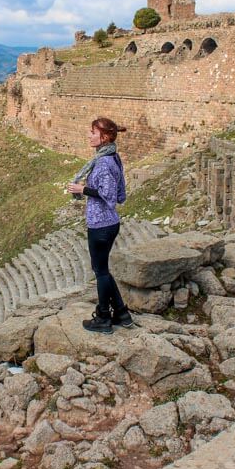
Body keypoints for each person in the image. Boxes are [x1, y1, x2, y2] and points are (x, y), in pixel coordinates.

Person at [67, 117, 132, 334]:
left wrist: (82, 190)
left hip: (101, 224)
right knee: (102, 269)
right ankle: (121, 313)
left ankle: (104, 317)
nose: (89, 135)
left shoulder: (103, 162)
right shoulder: (111, 156)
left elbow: (109, 195)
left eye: (93, 132)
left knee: (100, 271)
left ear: (104, 137)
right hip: (108, 223)